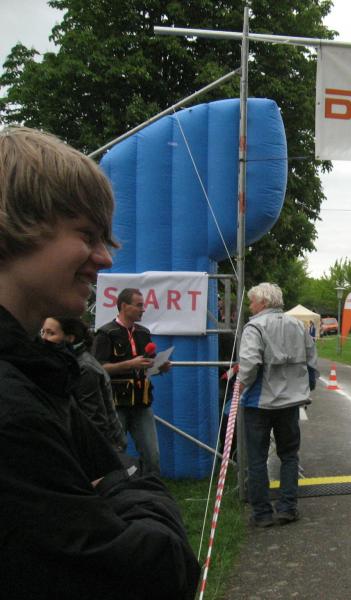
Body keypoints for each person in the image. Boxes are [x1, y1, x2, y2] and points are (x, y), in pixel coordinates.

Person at [0, 126, 198, 598]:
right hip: (119, 404)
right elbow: (151, 573)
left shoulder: (39, 372)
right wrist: (125, 487)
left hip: (140, 400)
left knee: (147, 461)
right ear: (15, 225)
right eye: (87, 235)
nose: (105, 259)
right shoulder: (16, 407)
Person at [238, 282, 317, 527]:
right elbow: (311, 360)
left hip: (259, 403)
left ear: (263, 302)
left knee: (257, 458)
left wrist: (240, 385)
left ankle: (262, 513)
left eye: (252, 302)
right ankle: (287, 508)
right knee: (289, 455)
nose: (250, 306)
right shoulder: (298, 325)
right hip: (290, 402)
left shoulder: (254, 327)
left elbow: (250, 364)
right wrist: (306, 387)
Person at [93, 287, 170, 475]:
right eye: (139, 305)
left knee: (152, 456)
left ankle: (151, 490)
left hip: (142, 402)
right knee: (115, 453)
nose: (143, 309)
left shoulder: (143, 333)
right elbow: (97, 368)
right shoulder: (106, 333)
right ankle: (117, 489)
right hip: (115, 404)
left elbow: (145, 367)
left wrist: (159, 367)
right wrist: (129, 364)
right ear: (124, 306)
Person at [41, 316, 126, 452]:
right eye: (43, 332)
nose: (44, 338)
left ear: (70, 338)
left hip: (102, 446)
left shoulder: (84, 368)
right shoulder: (67, 362)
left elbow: (95, 418)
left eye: (51, 333)